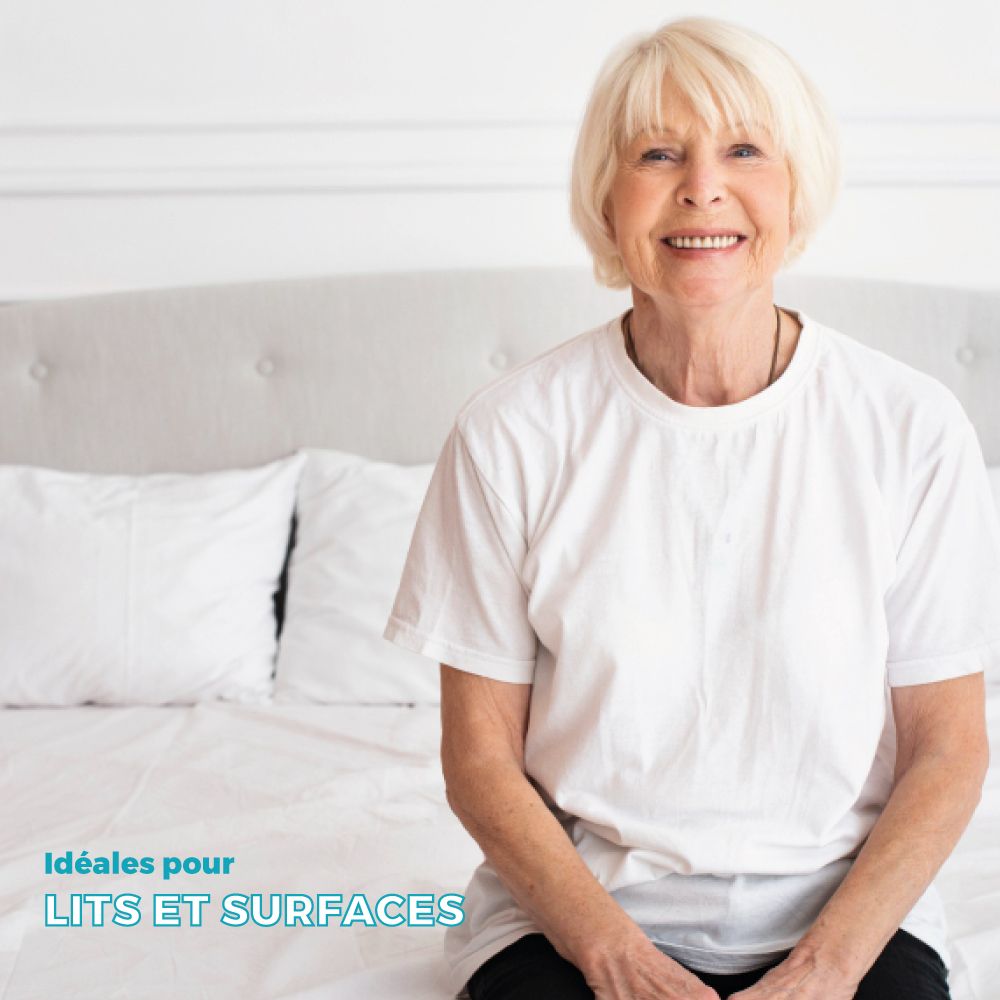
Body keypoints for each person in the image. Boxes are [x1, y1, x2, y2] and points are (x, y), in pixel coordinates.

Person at [382, 15, 1000, 1000]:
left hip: (843, 919)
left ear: (796, 189)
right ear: (606, 196)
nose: (701, 187)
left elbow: (948, 748)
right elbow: (479, 760)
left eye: (744, 150)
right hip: (568, 920)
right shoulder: (509, 433)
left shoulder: (911, 427)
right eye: (657, 152)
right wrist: (615, 956)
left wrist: (826, 968)